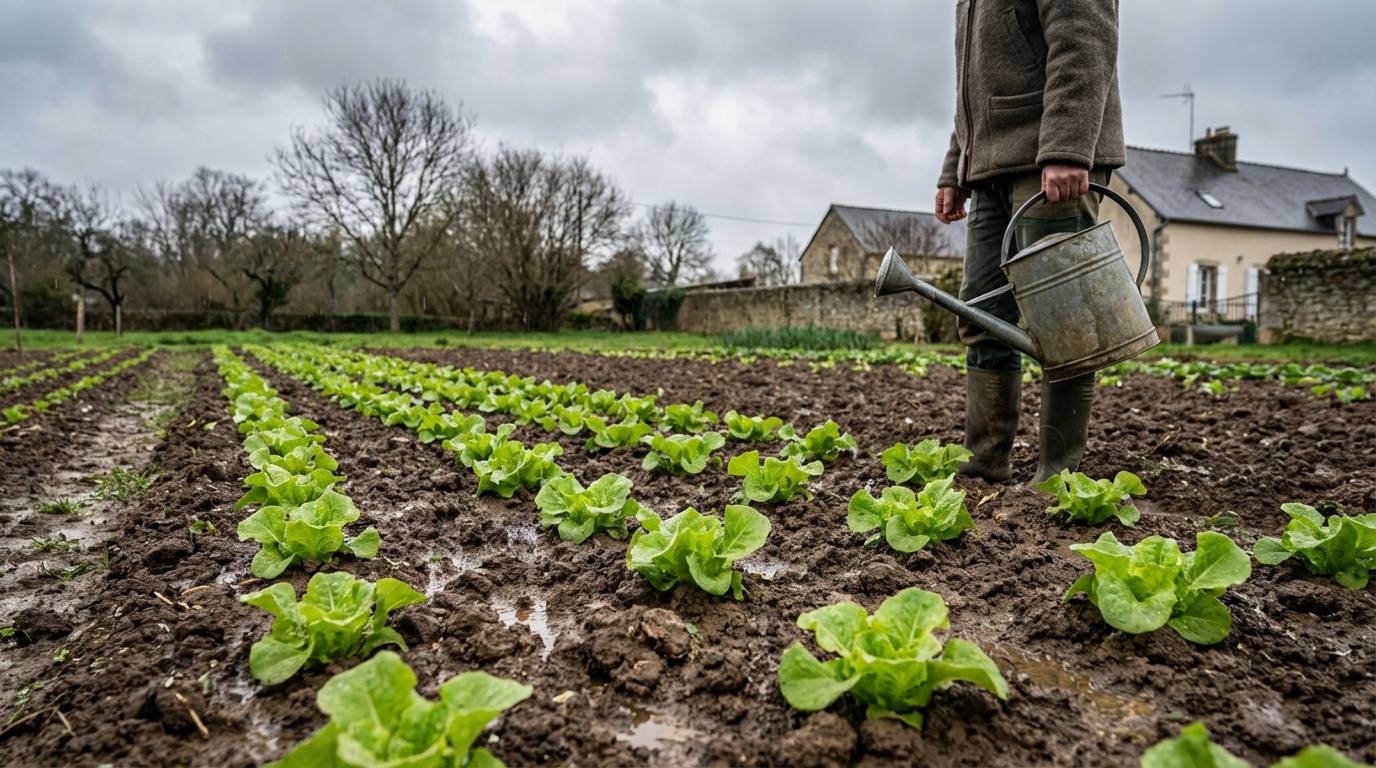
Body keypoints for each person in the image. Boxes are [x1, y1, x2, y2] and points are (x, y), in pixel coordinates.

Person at [934, 0, 1125, 485]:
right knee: (981, 318)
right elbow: (970, 90)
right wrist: (955, 169)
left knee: (1064, 322)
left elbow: (1084, 36)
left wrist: (1067, 145)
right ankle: (985, 462)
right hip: (989, 168)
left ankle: (1058, 478)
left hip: (1049, 160)